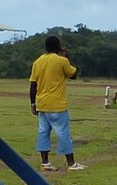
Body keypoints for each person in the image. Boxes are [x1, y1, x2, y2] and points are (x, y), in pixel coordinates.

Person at [27, 34, 81, 174]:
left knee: (43, 132)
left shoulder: (38, 62)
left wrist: (33, 103)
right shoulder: (61, 61)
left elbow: (33, 85)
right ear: (58, 47)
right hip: (57, 104)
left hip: (41, 104)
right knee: (63, 133)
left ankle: (45, 162)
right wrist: (68, 57)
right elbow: (74, 74)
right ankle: (71, 163)